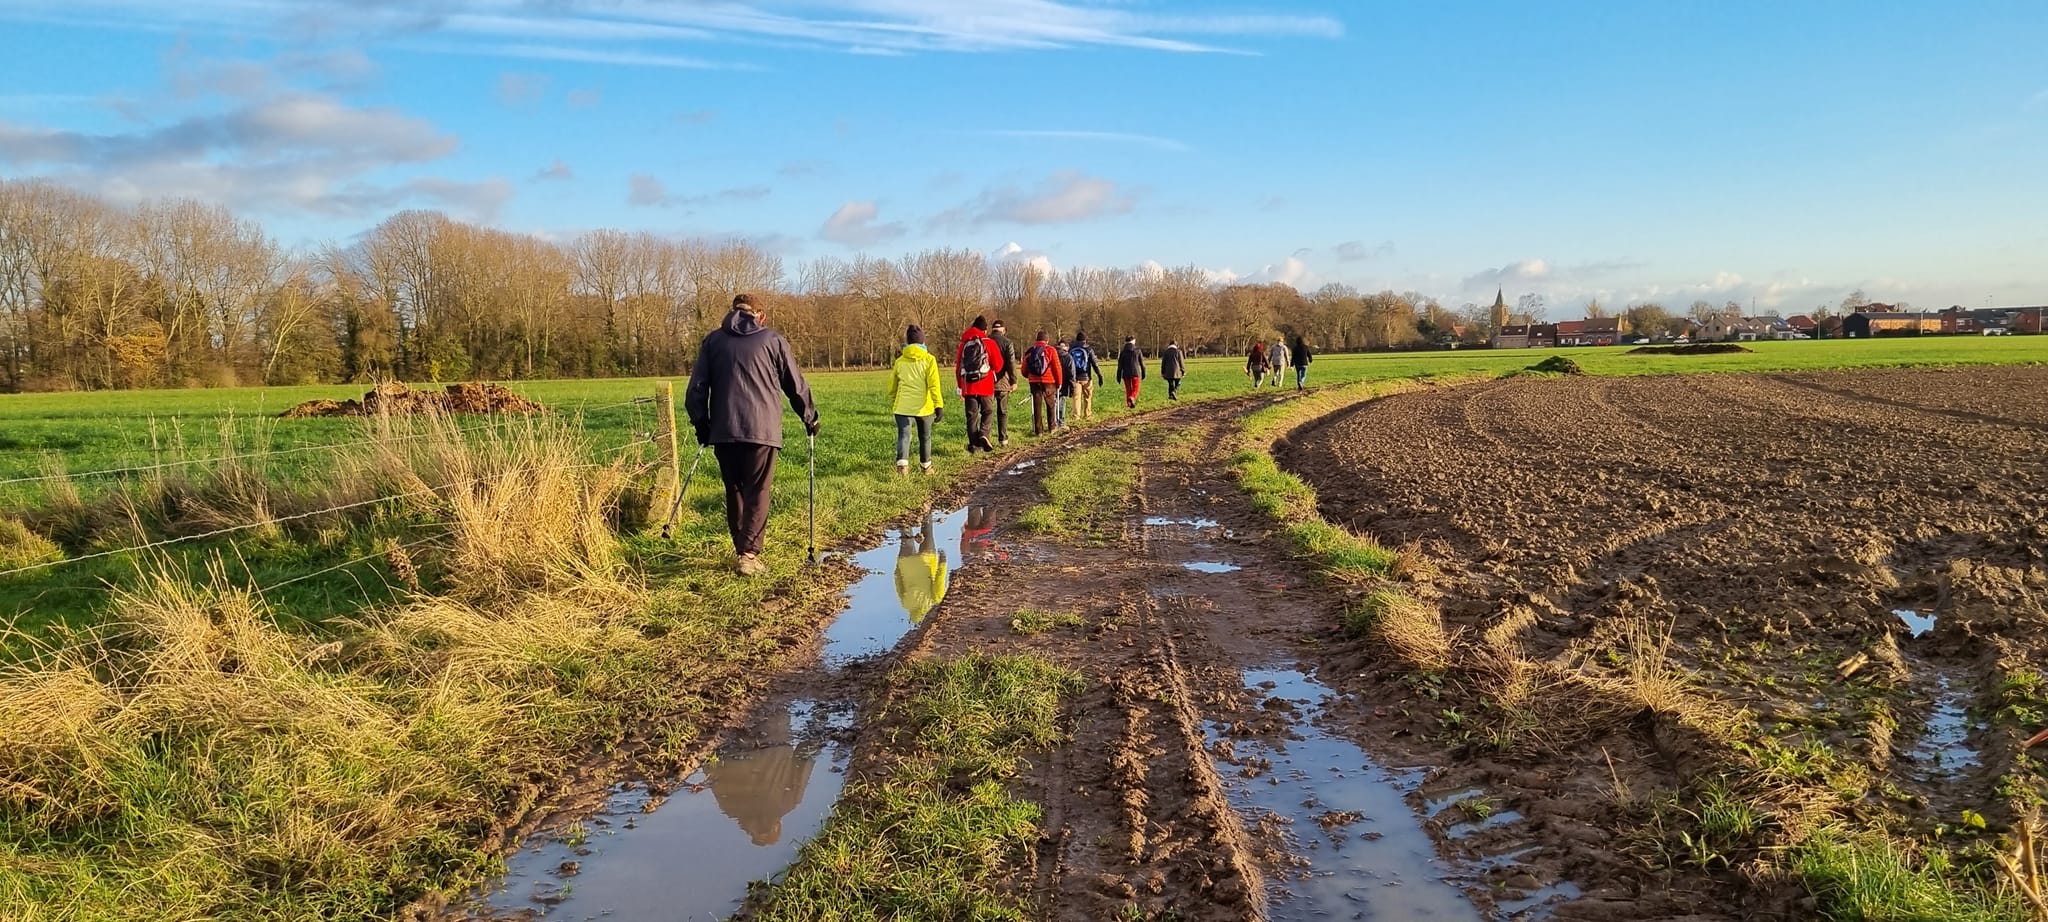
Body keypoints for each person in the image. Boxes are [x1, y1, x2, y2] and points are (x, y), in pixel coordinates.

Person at [685, 293, 820, 577]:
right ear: (761, 316)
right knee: (757, 490)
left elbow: (697, 388)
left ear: (732, 312)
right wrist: (810, 417)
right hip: (762, 429)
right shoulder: (772, 340)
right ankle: (748, 555)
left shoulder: (713, 341)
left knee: (734, 490)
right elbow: (794, 384)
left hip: (724, 430)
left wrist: (702, 426)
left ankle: (742, 551)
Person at [886, 324, 942, 476]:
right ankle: (926, 467)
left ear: (908, 342)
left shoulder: (900, 361)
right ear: (923, 341)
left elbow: (892, 386)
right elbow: (934, 385)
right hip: (924, 407)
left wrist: (894, 400)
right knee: (925, 437)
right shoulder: (929, 360)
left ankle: (902, 467)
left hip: (902, 407)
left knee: (904, 436)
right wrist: (938, 405)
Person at [956, 316, 1003, 453]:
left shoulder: (964, 343)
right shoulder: (989, 343)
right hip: (985, 385)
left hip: (968, 386)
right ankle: (984, 434)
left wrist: (960, 386)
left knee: (971, 417)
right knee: (987, 412)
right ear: (985, 330)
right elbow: (998, 365)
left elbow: (958, 367)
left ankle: (974, 446)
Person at [893, 511, 949, 623]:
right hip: (906, 564)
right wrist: (899, 567)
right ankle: (904, 513)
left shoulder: (934, 601)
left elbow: (939, 580)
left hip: (926, 562)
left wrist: (942, 562)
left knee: (927, 529)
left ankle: (926, 508)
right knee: (906, 536)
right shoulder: (905, 604)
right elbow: (898, 582)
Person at [1022, 329, 1064, 435]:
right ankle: (1052, 427)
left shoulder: (1030, 351)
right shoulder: (1051, 350)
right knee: (1050, 404)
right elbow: (1057, 367)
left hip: (1034, 381)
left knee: (1037, 406)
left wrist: (1029, 376)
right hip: (1049, 381)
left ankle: (1038, 431)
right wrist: (1059, 382)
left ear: (1036, 339)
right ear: (1047, 340)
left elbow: (1024, 369)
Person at [988, 319, 1019, 447]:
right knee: (1002, 411)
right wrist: (1014, 380)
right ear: (1004, 330)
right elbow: (1011, 363)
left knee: (987, 412)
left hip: (987, 382)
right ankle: (1003, 439)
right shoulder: (1007, 342)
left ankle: (986, 438)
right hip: (1003, 382)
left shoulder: (985, 341)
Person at [1069, 334, 1104, 421]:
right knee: (1087, 397)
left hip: (1075, 378)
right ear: (1085, 340)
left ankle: (1076, 416)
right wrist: (1100, 375)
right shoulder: (1088, 349)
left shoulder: (1071, 349)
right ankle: (1087, 415)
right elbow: (1095, 364)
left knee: (1076, 398)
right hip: (1086, 377)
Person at [1115, 336, 1146, 409]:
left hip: (1126, 373)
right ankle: (1132, 397)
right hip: (1135, 372)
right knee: (1136, 388)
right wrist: (1143, 373)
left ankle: (1129, 404)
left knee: (1128, 389)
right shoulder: (1137, 350)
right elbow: (1142, 363)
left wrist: (1118, 376)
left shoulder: (1123, 352)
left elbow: (1120, 366)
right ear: (1133, 341)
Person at [1054, 338, 1077, 428]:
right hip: (1064, 383)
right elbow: (1072, 373)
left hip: (1052, 383)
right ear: (1067, 347)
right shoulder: (1068, 357)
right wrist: (1072, 387)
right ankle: (1061, 422)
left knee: (1053, 403)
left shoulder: (1053, 354)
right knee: (1062, 403)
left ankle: (1053, 422)